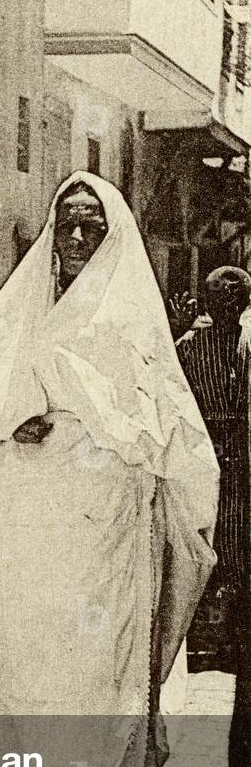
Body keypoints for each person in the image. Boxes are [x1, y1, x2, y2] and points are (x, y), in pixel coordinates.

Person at [0, 172, 219, 767]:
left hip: (102, 522)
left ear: (110, 236)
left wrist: (79, 423)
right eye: (67, 223)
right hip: (29, 518)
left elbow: (155, 417)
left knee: (94, 670)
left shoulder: (127, 312)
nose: (76, 238)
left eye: (91, 226)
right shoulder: (21, 304)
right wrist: (20, 426)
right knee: (31, 658)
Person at [177, 266, 251, 672]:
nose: (229, 307)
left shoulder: (248, 343)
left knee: (239, 544)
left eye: (236, 300)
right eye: (221, 299)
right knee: (207, 542)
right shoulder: (188, 346)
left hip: (241, 456)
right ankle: (207, 645)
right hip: (203, 454)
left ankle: (239, 638)